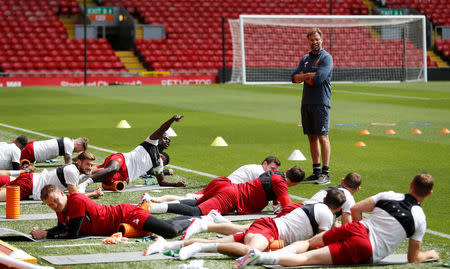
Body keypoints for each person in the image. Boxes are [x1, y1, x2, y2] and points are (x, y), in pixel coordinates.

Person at [234, 172, 439, 268]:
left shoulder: (389, 195)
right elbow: (413, 258)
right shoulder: (419, 218)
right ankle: (260, 258)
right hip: (366, 248)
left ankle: (259, 253)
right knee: (308, 260)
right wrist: (430, 254)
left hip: (357, 229)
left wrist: (355, 227)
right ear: (429, 194)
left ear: (411, 184)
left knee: (308, 244)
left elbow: (357, 209)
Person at [143, 188, 346, 260]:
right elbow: (319, 240)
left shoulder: (315, 205)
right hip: (270, 230)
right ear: (338, 208)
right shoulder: (327, 215)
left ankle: (167, 245)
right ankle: (198, 247)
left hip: (268, 228)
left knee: (239, 243)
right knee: (251, 251)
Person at [180, 172, 361, 240]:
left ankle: (215, 223)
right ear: (358, 189)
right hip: (305, 216)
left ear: (342, 181)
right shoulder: (348, 199)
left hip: (302, 210)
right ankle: (211, 225)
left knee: (256, 228)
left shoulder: (334, 190)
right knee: (255, 231)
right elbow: (346, 223)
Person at [29, 185, 195, 240]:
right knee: (165, 226)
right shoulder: (62, 208)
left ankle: (195, 220)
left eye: (55, 201)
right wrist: (44, 232)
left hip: (126, 214)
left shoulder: (76, 200)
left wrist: (45, 234)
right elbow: (61, 227)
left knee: (170, 231)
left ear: (62, 194)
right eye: (50, 205)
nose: (55, 206)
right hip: (120, 225)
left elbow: (72, 233)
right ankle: (191, 217)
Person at [80, 115, 186, 190]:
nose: (168, 141)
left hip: (125, 176)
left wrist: (176, 184)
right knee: (112, 168)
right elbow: (161, 129)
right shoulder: (151, 142)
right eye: (165, 138)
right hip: (122, 159)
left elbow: (162, 182)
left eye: (169, 140)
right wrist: (172, 119)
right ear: (159, 138)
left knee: (104, 177)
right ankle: (84, 184)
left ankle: (78, 179)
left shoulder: (159, 163)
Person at [146, 167, 305, 216]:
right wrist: (304, 207)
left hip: (226, 185)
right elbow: (287, 206)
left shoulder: (275, 173)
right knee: (196, 212)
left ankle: (154, 200)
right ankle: (157, 207)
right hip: (231, 196)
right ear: (296, 184)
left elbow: (277, 197)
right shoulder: (281, 184)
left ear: (288, 169)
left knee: (195, 201)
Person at [292, 27, 333, 185]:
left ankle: (325, 173)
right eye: (311, 40)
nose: (314, 42)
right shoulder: (305, 58)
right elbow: (294, 78)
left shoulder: (326, 58)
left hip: (321, 102)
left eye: (317, 39)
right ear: (308, 41)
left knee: (323, 137)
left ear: (321, 39)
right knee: (311, 137)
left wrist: (304, 77)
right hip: (307, 102)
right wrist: (307, 75)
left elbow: (318, 80)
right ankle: (316, 172)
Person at [143, 156, 281, 203]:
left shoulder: (254, 168)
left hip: (223, 184)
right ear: (264, 164)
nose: (273, 172)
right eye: (272, 168)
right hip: (227, 188)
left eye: (275, 170)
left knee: (191, 198)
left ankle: (154, 199)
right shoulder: (259, 171)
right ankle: (154, 200)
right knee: (192, 200)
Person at [0, 151, 102, 201]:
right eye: (87, 164)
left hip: (30, 180)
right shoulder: (72, 171)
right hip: (29, 185)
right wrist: (93, 193)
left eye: (91, 165)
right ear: (79, 162)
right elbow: (74, 197)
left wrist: (105, 169)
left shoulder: (74, 168)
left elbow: (91, 171)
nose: (89, 167)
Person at [20, 137, 88, 164]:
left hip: (33, 150)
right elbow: (68, 164)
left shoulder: (68, 142)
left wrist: (77, 158)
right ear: (79, 144)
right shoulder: (69, 145)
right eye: (79, 150)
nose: (77, 152)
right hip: (32, 152)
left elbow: (69, 161)